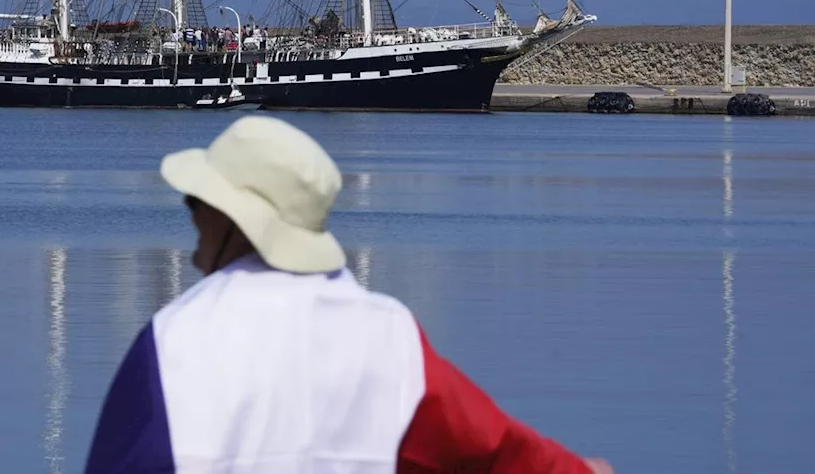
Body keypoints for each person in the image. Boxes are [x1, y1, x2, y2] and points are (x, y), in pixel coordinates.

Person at [83, 115, 613, 474]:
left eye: (196, 200)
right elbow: (494, 449)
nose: (191, 214)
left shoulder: (174, 339)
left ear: (235, 219)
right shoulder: (389, 335)